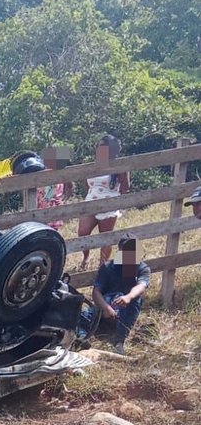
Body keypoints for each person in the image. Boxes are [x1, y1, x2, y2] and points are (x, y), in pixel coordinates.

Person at [79, 135, 131, 270]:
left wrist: (115, 200)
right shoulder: (92, 165)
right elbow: (88, 185)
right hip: (90, 202)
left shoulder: (118, 166)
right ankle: (86, 257)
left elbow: (125, 188)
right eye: (98, 148)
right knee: (83, 232)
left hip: (109, 205)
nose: (100, 151)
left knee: (105, 237)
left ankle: (102, 267)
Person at [92, 237, 150, 354]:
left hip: (125, 306)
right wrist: (105, 307)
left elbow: (141, 286)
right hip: (107, 305)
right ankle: (82, 338)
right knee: (82, 315)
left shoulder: (142, 268)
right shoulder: (108, 267)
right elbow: (96, 291)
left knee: (136, 299)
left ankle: (119, 341)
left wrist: (128, 297)